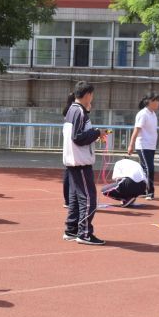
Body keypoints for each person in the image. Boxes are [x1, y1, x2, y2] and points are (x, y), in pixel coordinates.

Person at [63, 81, 109, 245]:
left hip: (74, 161)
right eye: (92, 94)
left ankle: (72, 229)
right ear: (88, 94)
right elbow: (78, 138)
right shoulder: (79, 112)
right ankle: (85, 233)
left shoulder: (72, 111)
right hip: (80, 162)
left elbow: (79, 135)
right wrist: (96, 132)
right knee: (89, 198)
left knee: (76, 198)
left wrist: (95, 134)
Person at [127, 92, 159, 200]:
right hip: (143, 145)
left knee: (144, 169)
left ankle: (142, 190)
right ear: (149, 102)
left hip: (151, 146)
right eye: (156, 100)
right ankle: (150, 192)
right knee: (149, 168)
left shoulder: (153, 114)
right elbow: (137, 130)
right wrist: (131, 145)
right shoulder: (143, 114)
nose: (158, 103)